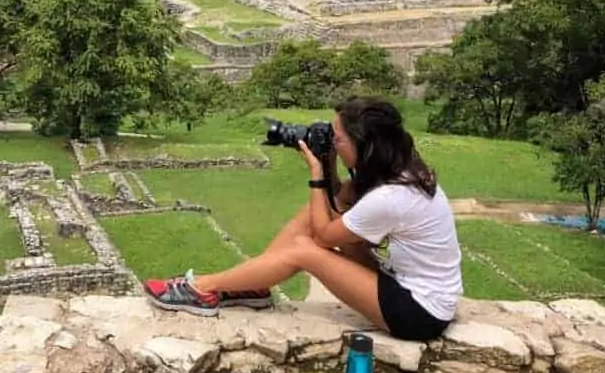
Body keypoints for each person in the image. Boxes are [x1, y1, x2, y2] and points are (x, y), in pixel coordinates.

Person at [142, 96, 462, 342]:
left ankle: (203, 288)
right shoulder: (397, 169)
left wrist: (316, 173)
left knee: (303, 250)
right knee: (310, 217)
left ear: (364, 145)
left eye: (338, 139)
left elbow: (323, 237)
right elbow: (335, 202)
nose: (330, 141)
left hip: (419, 312)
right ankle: (253, 285)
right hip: (404, 285)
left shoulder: (390, 197)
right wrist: (330, 166)